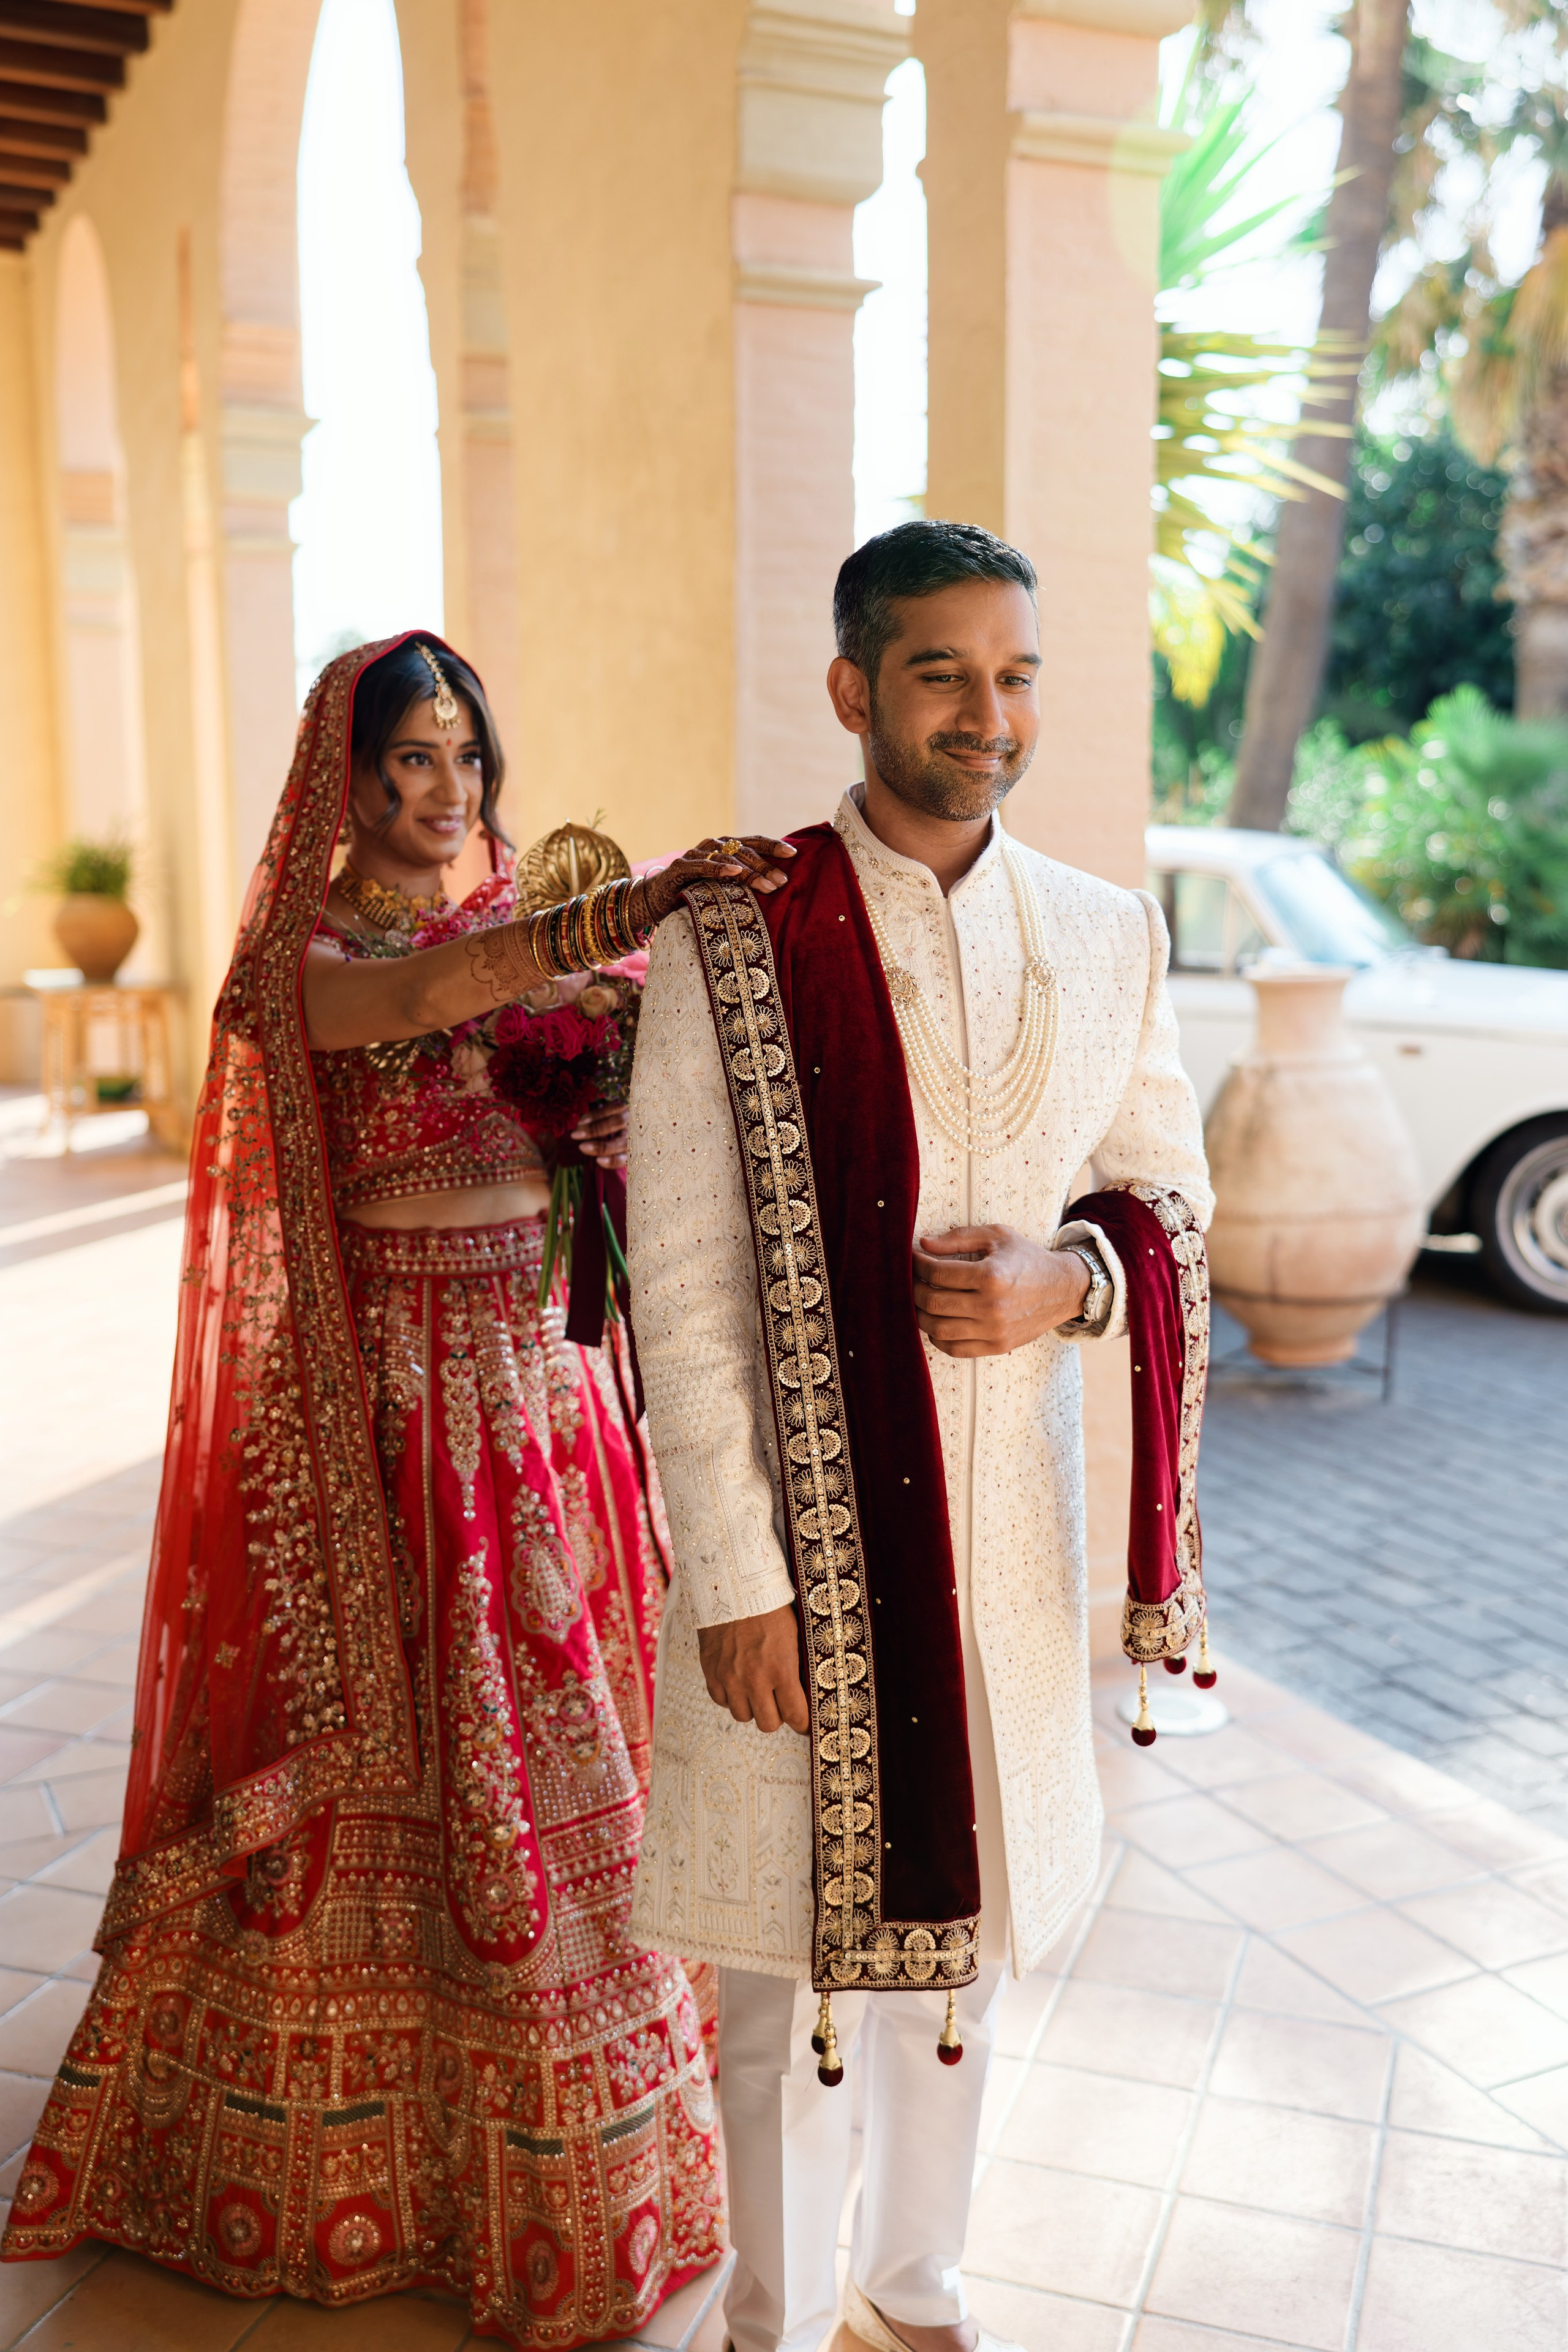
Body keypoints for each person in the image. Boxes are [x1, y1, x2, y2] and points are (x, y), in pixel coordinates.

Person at [0, 633, 794, 2349]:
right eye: (408, 763)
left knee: (571, 1745)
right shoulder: (316, 957)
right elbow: (425, 1002)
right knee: (416, 1746)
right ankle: (329, 2151)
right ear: (343, 782)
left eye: (466, 760)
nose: (445, 795)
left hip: (545, 1398)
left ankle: (578, 2157)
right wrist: (613, 917)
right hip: (396, 1423)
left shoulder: (516, 938)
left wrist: (611, 1074)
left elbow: (615, 1105)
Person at [625, 522, 1215, 2352]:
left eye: (1016, 670)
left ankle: (917, 2287)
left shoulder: (1108, 935)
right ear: (853, 688)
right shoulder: (735, 936)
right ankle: (775, 2316)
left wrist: (1074, 1284)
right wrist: (732, 1571)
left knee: (952, 1950)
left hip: (1007, 1533)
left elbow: (1171, 1203)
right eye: (944, 671)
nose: (989, 711)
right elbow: (687, 1278)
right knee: (784, 1959)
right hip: (801, 1539)